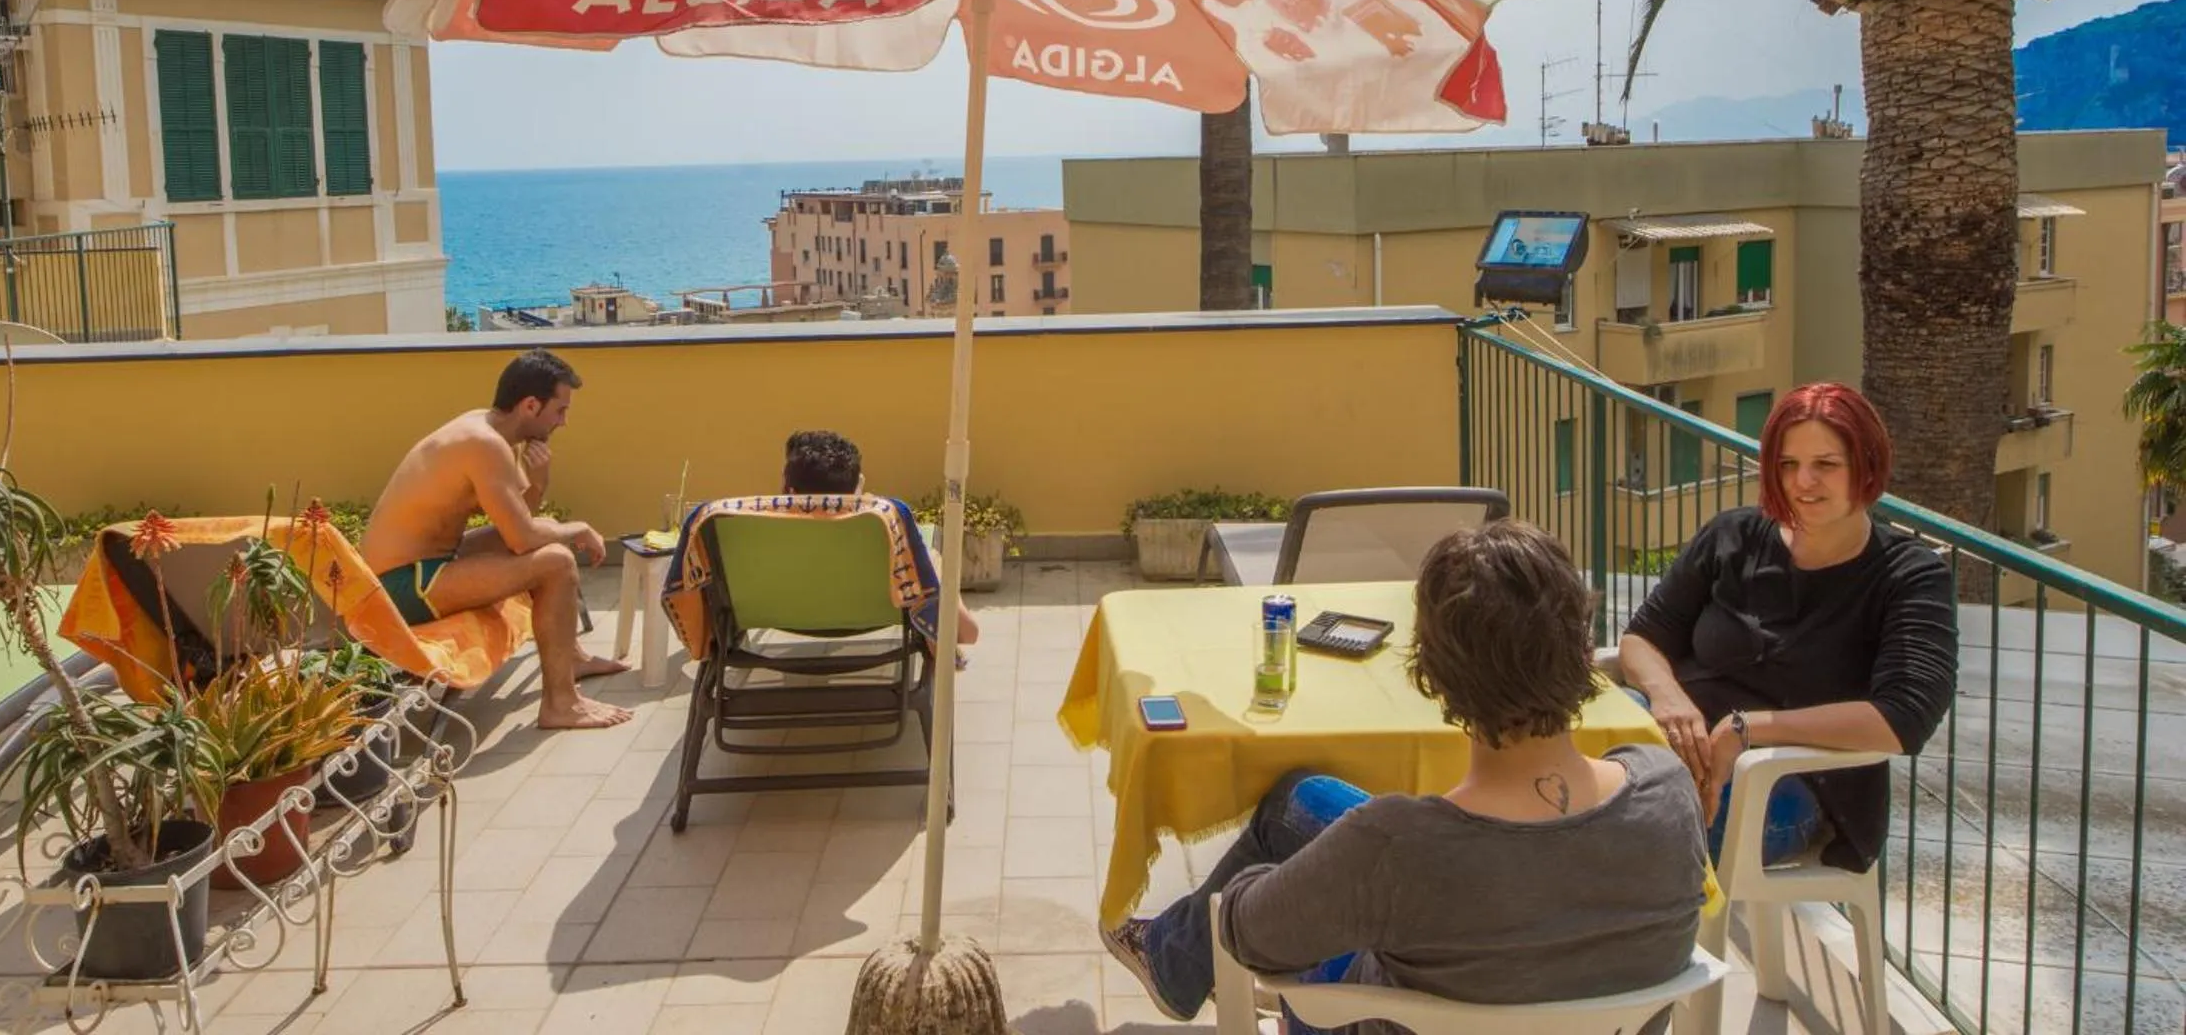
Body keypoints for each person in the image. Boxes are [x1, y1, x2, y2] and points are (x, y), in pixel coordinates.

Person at [1103, 522, 1707, 1030]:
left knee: (1311, 892)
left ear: (1431, 679)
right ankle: (1169, 956)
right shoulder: (1667, 789)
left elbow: (1244, 932)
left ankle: (1171, 958)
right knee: (1300, 799)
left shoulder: (1394, 847)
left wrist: (1283, 882)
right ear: (1582, 653)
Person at [1619, 381, 1958, 873]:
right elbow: (1643, 638)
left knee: (1620, 830)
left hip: (1790, 782)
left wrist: (1745, 730)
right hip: (1677, 749)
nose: (1803, 483)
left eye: (1825, 464)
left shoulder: (1909, 576)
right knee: (1556, 773)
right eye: (1788, 464)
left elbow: (1902, 721)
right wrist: (1667, 697)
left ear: (1866, 465)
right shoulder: (1732, 536)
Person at [361, 348, 631, 730]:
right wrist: (580, 529)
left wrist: (539, 484)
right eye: (560, 410)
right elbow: (523, 538)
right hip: (401, 586)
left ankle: (571, 657)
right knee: (557, 561)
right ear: (531, 405)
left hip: (427, 566)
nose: (564, 422)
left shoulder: (486, 429)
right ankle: (561, 705)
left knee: (549, 539)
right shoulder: (483, 444)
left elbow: (519, 521)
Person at [781, 429, 978, 649]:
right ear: (857, 484)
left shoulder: (762, 526)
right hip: (865, 613)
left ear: (791, 491)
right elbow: (967, 633)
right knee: (933, 557)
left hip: (788, 616)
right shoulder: (887, 522)